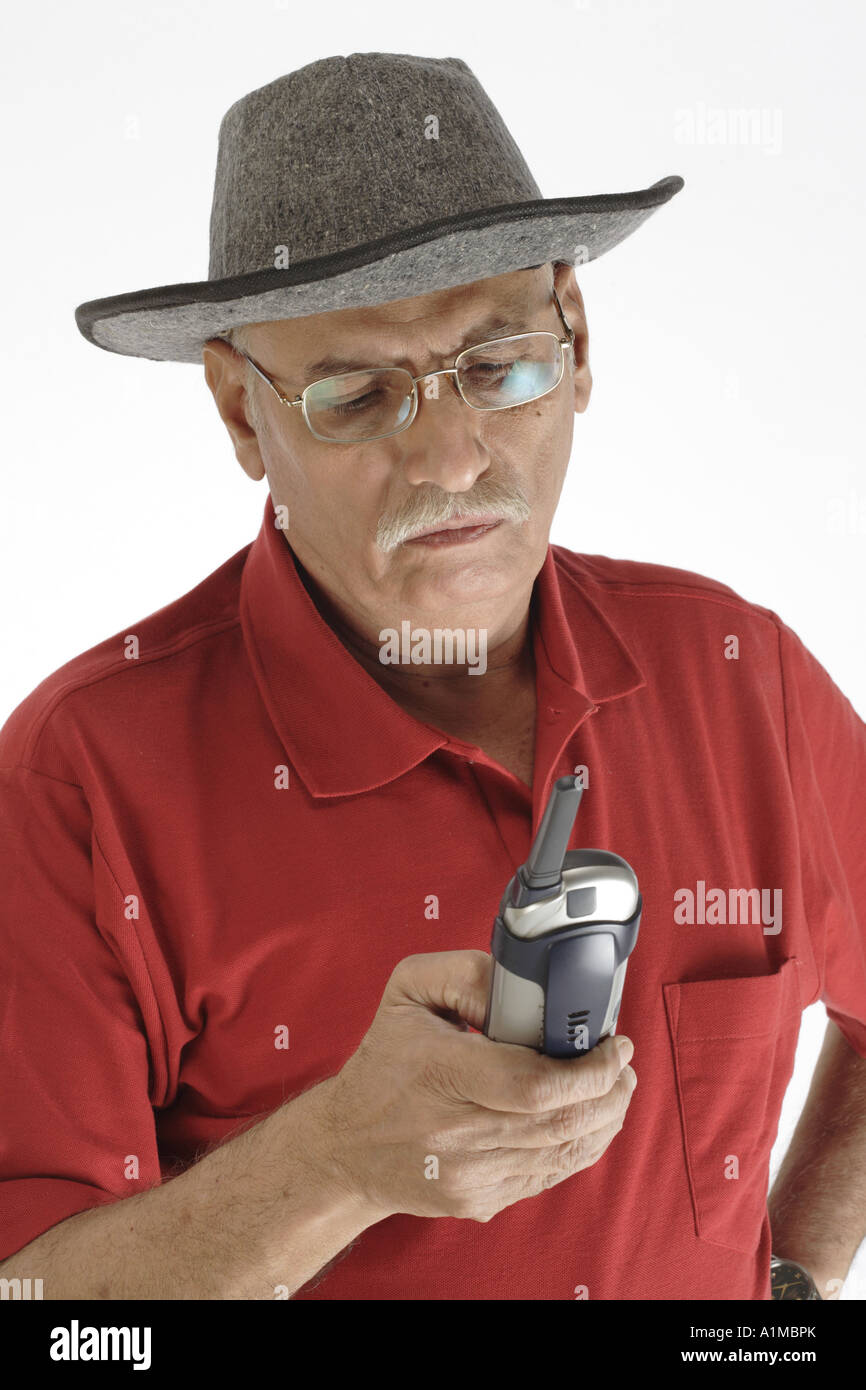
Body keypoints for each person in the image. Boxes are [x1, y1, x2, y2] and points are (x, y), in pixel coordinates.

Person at [1, 53, 863, 1302]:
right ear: (242, 413)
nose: (453, 459)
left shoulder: (740, 679)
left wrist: (787, 1289)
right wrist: (335, 1159)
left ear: (574, 339)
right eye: (355, 396)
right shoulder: (76, 784)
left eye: (498, 363)